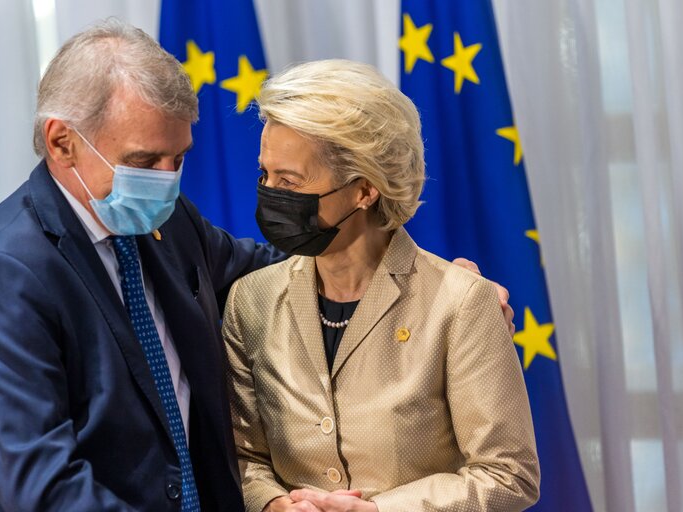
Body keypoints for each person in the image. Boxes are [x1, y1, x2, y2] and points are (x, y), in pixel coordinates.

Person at [0, 21, 513, 512]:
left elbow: (275, 267)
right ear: (62, 143)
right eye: (143, 160)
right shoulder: (3, 276)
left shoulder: (160, 220)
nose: (165, 179)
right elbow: (44, 489)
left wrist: (428, 286)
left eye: (177, 158)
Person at [223, 59, 540, 512]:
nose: (270, 193)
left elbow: (509, 474)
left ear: (365, 189)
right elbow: (243, 456)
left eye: (289, 181)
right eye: (265, 175)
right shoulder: (250, 301)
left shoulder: (461, 301)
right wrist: (273, 504)